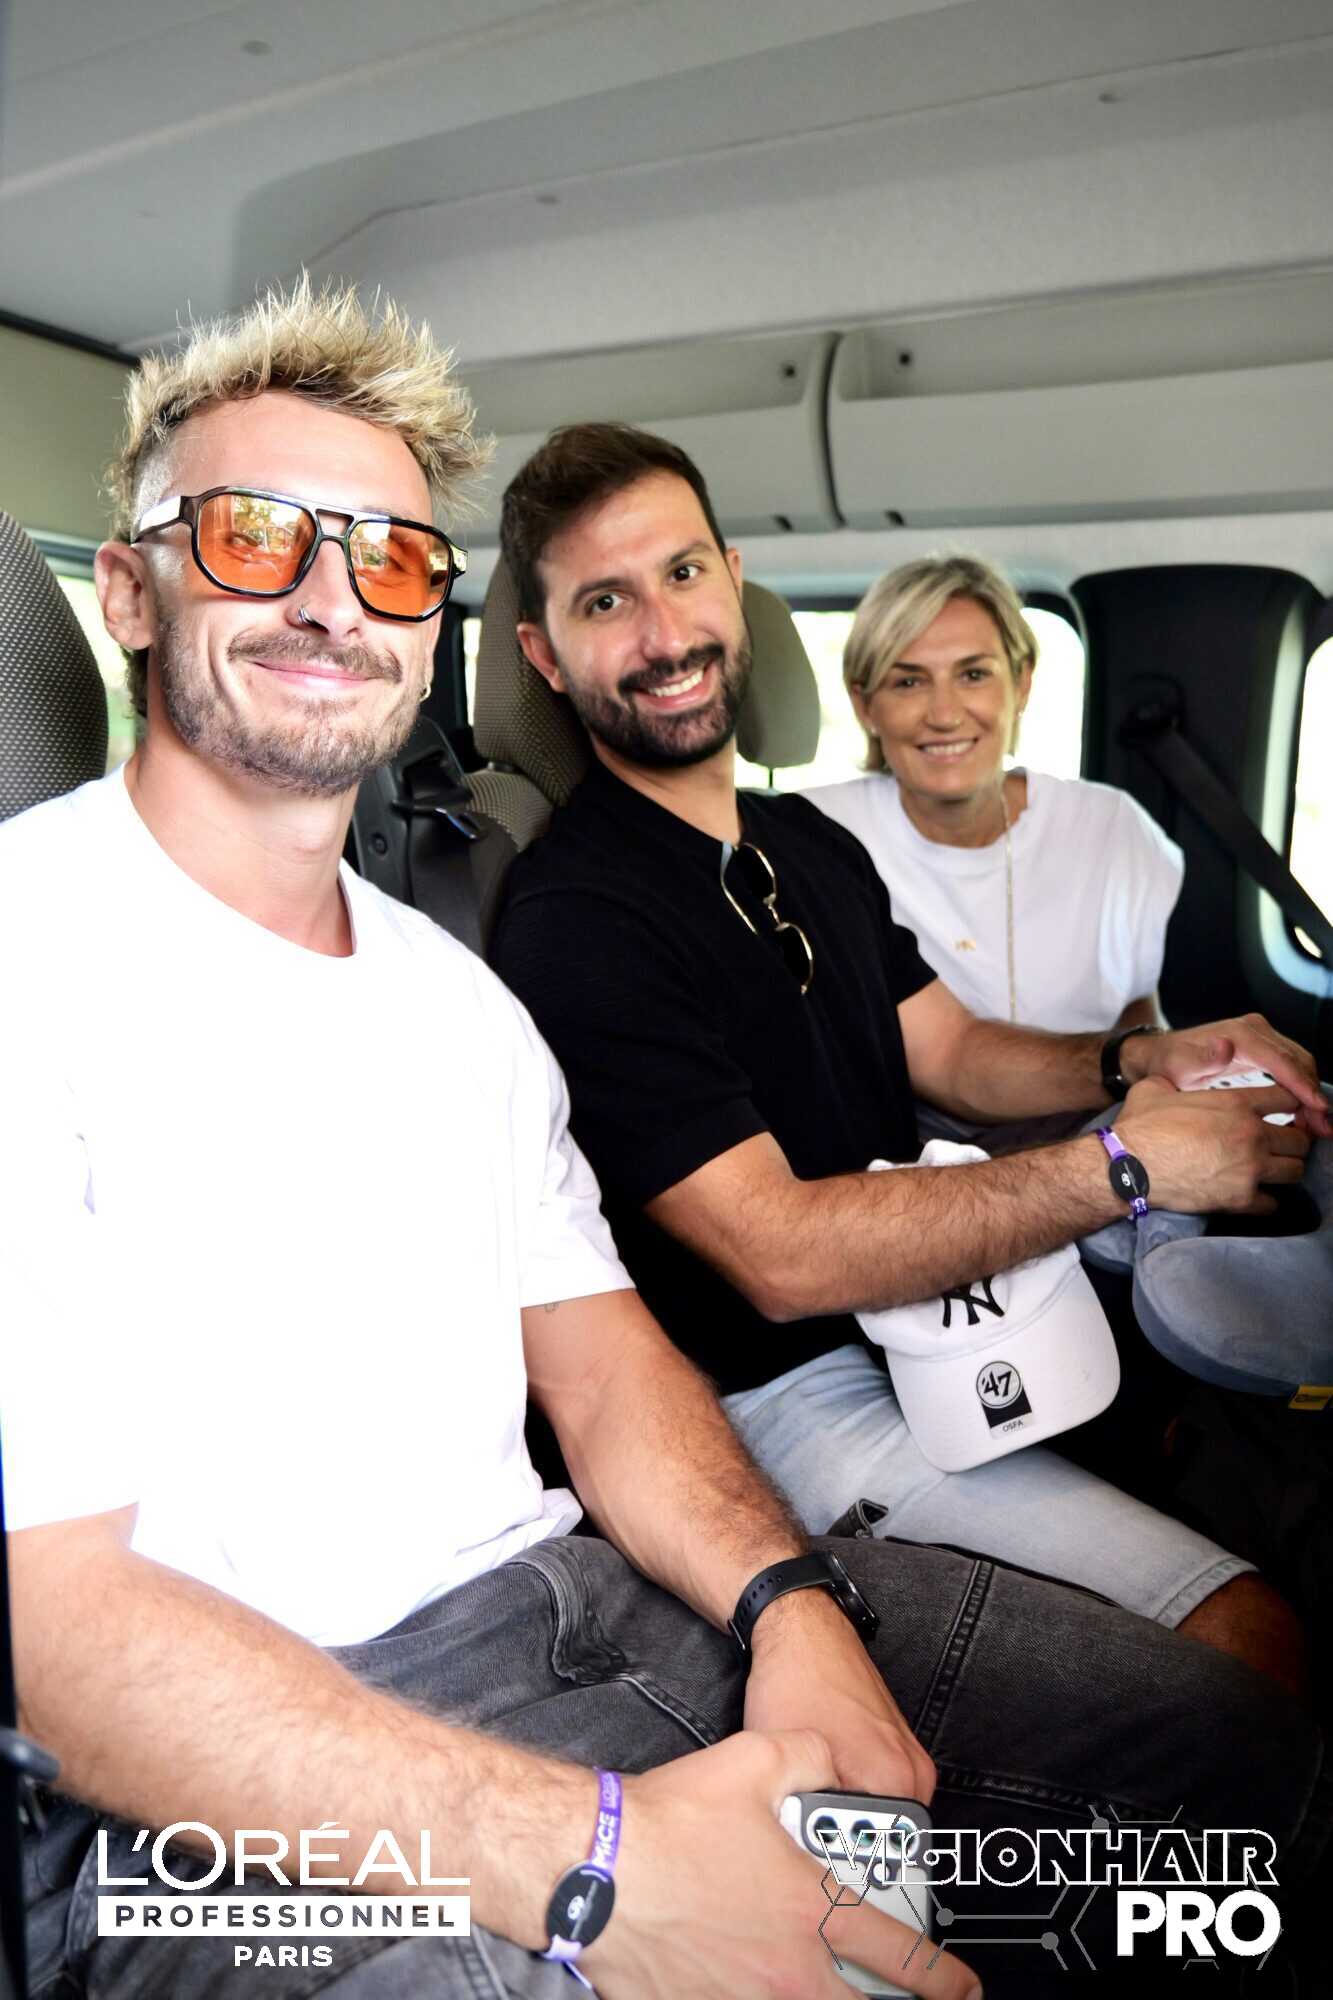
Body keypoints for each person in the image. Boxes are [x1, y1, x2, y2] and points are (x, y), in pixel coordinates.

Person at [10, 281, 1325, 2000]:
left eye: (391, 558)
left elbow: (607, 1371)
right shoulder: (35, 955)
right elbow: (58, 1638)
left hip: (580, 1605)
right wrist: (598, 1867)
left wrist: (789, 1605)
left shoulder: (456, 999)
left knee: (1229, 1788)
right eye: (256, 537)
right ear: (129, 588)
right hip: (216, 1804)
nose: (332, 598)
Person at [488, 421, 1331, 1701]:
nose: (663, 633)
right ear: (546, 655)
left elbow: (953, 1051)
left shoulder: (799, 841)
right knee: (1247, 1638)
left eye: (682, 573)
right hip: (785, 1393)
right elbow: (779, 1255)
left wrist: (1146, 1053)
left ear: (732, 583)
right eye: (605, 602)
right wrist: (1124, 1165)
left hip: (938, 1314)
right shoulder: (578, 916)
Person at [802, 555, 1182, 1151]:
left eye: (974, 674)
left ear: (1021, 682)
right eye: (908, 682)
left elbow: (1140, 1009)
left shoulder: (1111, 828)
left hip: (1099, 1145)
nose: (945, 714)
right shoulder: (814, 835)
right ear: (864, 705)